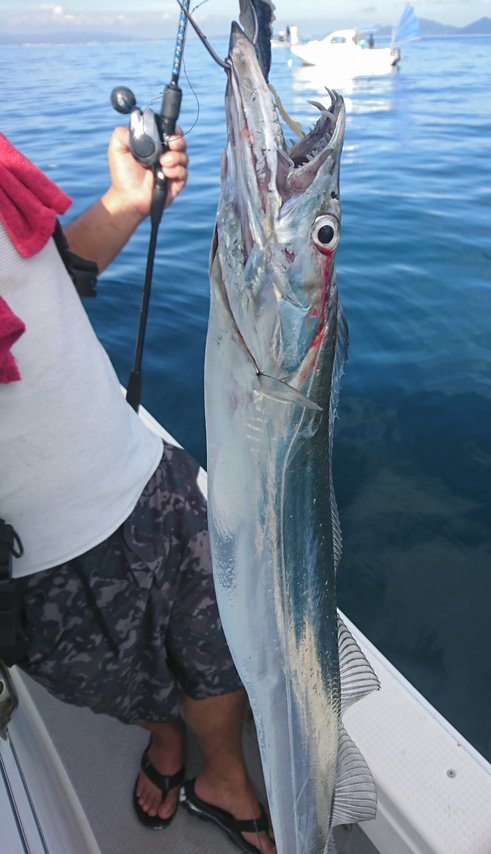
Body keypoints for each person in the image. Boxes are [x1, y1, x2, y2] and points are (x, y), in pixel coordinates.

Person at [0, 127, 276, 854]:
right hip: (37, 554)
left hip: (144, 472)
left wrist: (126, 203)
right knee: (110, 680)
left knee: (216, 644)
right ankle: (165, 738)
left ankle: (224, 775)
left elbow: (43, 277)